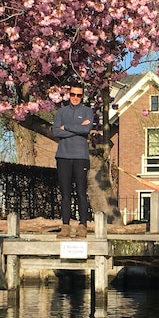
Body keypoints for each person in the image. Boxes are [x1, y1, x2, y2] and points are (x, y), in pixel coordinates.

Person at [52, 84, 96, 238]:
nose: (75, 98)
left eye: (78, 95)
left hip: (80, 157)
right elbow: (55, 131)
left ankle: (82, 225)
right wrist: (77, 128)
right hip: (63, 156)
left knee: (81, 192)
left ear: (82, 96)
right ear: (68, 95)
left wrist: (67, 128)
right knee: (65, 194)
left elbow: (86, 130)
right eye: (73, 95)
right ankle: (65, 225)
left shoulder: (87, 111)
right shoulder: (61, 112)